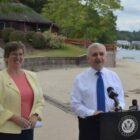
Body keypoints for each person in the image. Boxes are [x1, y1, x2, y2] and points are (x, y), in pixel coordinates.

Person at [70, 43, 125, 140]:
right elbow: (75, 104)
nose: (98, 57)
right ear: (88, 59)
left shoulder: (114, 76)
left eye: (101, 54)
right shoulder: (80, 79)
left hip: (112, 123)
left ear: (105, 57)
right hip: (89, 124)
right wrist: (91, 113)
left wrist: (118, 108)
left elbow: (121, 99)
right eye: (94, 54)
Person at [0, 41, 45, 140]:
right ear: (6, 58)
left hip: (28, 129)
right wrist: (14, 117)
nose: (18, 57)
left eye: (20, 54)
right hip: (6, 130)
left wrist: (35, 114)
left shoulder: (32, 76)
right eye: (14, 54)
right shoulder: (1, 78)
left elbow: (40, 100)